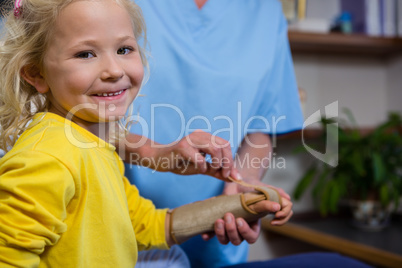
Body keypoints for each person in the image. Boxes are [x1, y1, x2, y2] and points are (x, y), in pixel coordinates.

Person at [0, 0, 279, 266]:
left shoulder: (94, 147)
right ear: (35, 74)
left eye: (124, 50)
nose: (113, 70)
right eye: (85, 54)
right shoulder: (47, 159)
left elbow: (148, 227)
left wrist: (242, 205)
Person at [121, 0, 302, 267]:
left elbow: (261, 125)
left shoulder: (265, 9)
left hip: (217, 239)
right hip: (121, 231)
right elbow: (79, 120)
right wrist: (154, 153)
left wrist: (244, 182)